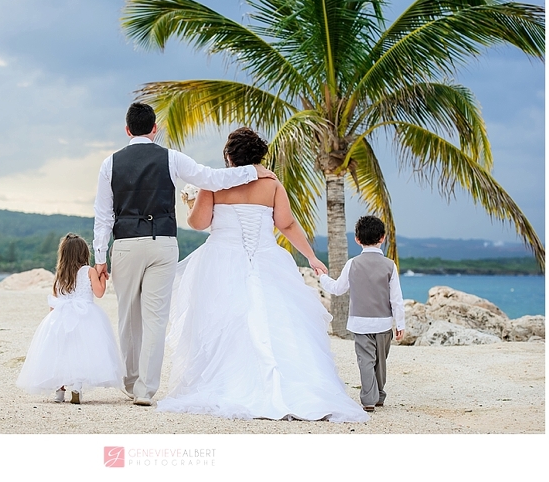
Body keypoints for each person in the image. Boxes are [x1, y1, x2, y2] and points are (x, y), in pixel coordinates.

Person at [156, 127, 370, 422]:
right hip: (266, 258)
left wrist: (192, 203)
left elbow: (199, 222)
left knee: (221, 321)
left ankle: (230, 380)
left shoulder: (215, 183)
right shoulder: (271, 184)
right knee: (276, 320)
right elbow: (288, 224)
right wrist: (311, 257)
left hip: (221, 259)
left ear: (229, 157)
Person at [93, 102, 276, 406]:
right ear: (155, 129)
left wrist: (100, 257)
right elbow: (211, 179)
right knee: (155, 318)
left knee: (128, 315)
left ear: (127, 130)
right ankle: (146, 390)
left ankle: (130, 382)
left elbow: (103, 216)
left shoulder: (109, 164)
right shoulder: (171, 158)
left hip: (125, 244)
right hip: (163, 242)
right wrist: (251, 172)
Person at [16, 233, 124, 404]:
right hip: (85, 316)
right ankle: (77, 386)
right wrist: (102, 278)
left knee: (61, 352)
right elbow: (99, 292)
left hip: (61, 316)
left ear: (63, 254)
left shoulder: (59, 274)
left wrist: (53, 319)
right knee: (81, 351)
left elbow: (54, 301)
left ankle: (59, 392)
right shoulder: (88, 271)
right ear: (84, 253)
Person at [319, 216, 406, 412]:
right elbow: (396, 299)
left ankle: (369, 399)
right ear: (383, 238)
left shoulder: (352, 264)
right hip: (384, 323)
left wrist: (322, 276)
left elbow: (337, 289)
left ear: (357, 239)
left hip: (359, 323)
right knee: (380, 362)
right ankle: (379, 396)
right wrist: (400, 324)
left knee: (366, 361)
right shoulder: (390, 265)